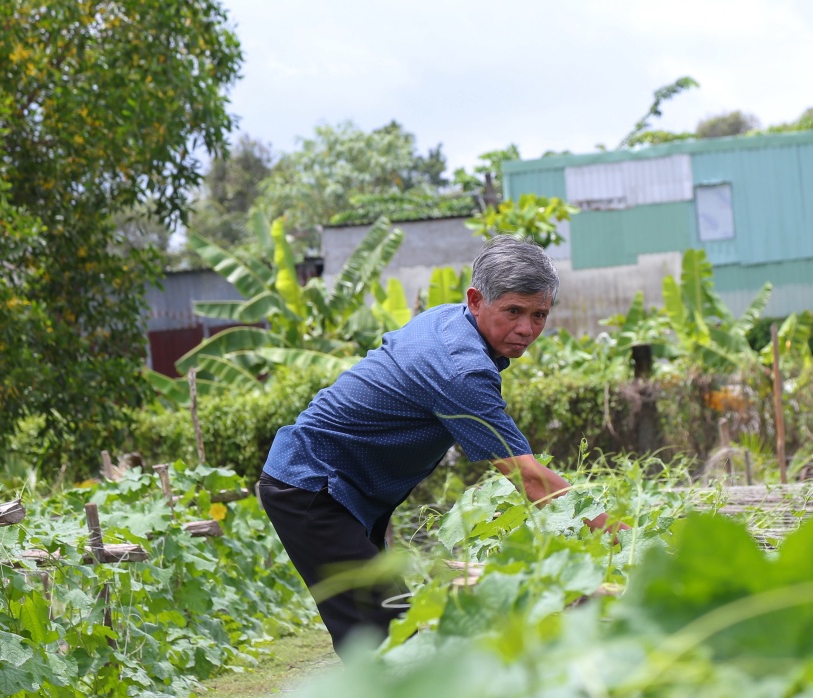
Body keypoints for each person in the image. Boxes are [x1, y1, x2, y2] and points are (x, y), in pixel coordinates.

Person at [256, 235, 617, 652]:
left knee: (389, 625)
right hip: (311, 487)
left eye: (539, 314)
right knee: (388, 638)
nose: (526, 329)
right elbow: (531, 480)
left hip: (336, 488)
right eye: (513, 311)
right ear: (477, 300)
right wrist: (622, 535)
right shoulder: (459, 369)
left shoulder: (451, 320)